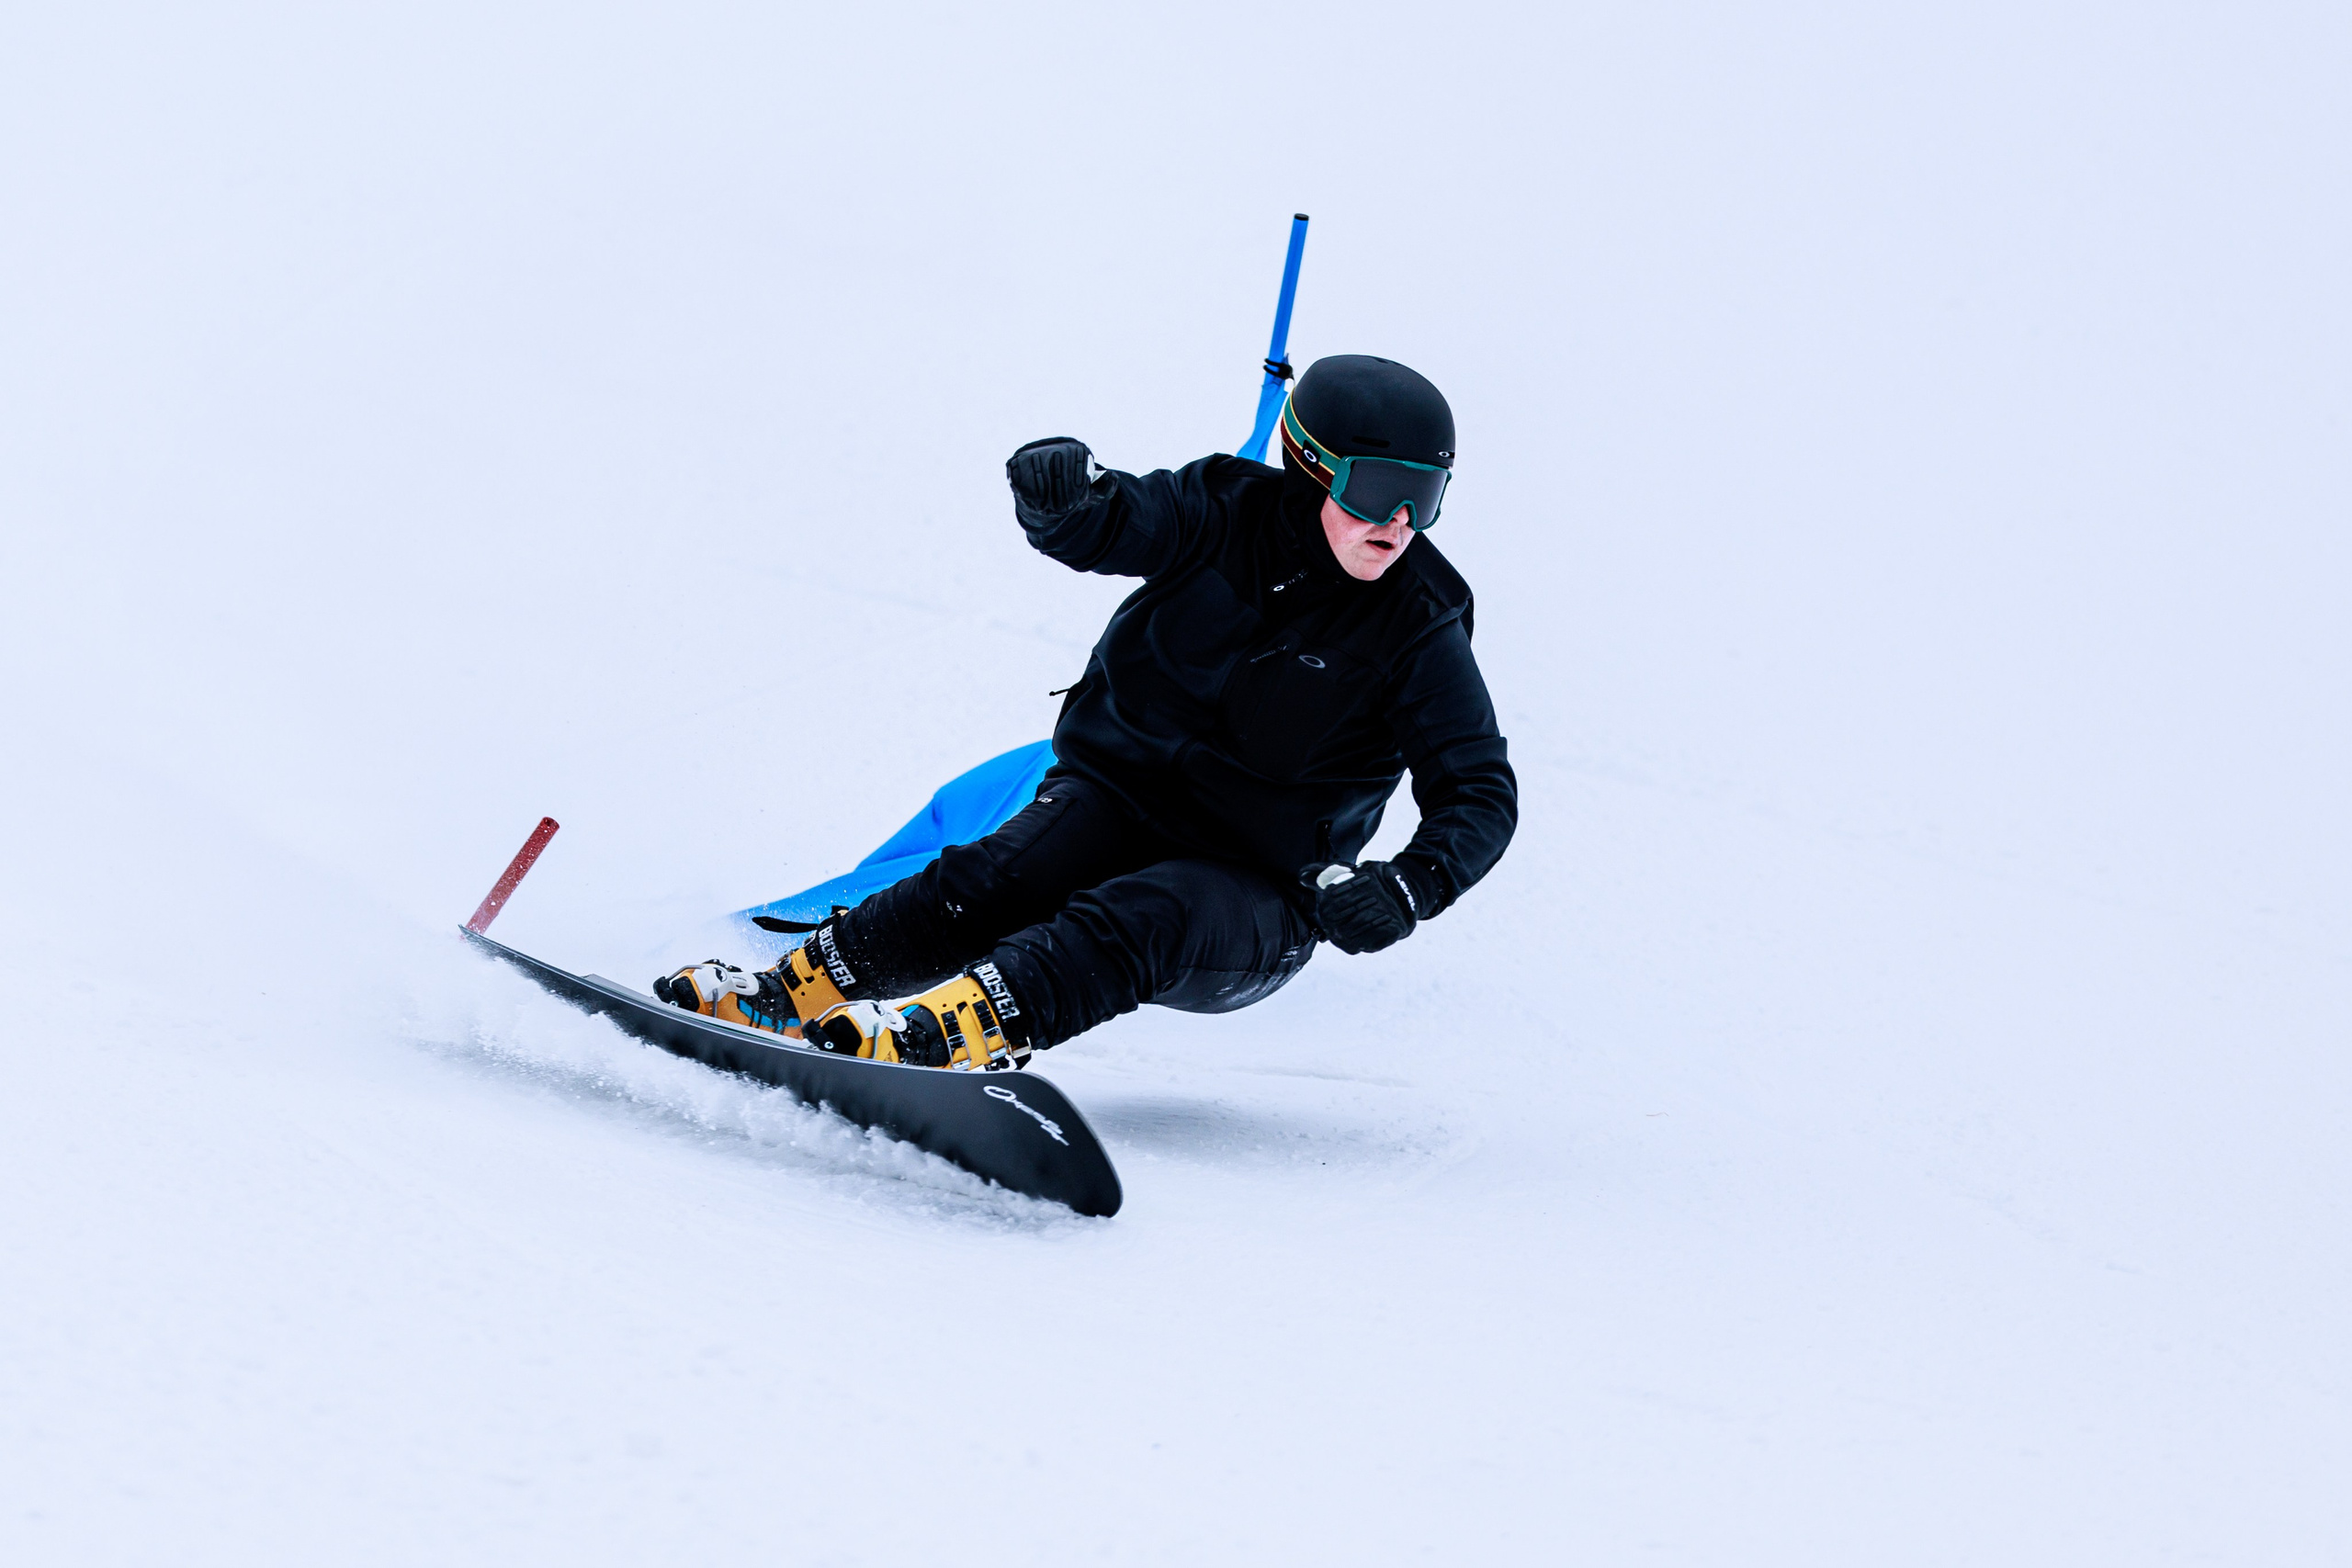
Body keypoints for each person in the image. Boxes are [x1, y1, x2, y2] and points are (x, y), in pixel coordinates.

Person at [656, 354, 1516, 1069]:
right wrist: (1060, 500)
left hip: (1258, 893)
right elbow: (1120, 522)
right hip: (1116, 801)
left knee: (1146, 913)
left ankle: (944, 1037)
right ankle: (788, 993)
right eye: (1378, 489)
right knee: (996, 876)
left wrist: (1409, 886)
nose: (1399, 523)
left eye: (1426, 496)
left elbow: (1478, 790)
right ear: (1313, 466)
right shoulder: (1220, 510)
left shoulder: (1420, 624)